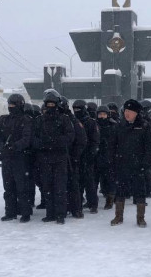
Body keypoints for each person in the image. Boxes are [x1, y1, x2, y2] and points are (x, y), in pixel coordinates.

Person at [108, 99, 151, 228]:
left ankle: (140, 218)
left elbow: (150, 147)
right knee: (120, 191)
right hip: (121, 164)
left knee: (140, 191)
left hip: (138, 165)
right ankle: (118, 216)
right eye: (126, 111)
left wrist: (146, 162)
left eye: (130, 112)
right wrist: (112, 160)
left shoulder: (144, 126)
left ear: (136, 113)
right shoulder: (119, 126)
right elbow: (112, 145)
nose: (127, 114)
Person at [32, 90, 74, 224]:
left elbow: (70, 136)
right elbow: (33, 138)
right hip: (44, 158)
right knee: (47, 187)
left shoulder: (64, 119)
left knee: (60, 188)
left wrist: (55, 142)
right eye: (48, 104)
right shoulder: (39, 120)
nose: (50, 106)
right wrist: (43, 144)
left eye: (53, 104)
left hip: (59, 158)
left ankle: (60, 214)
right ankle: (50, 213)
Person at [0, 94, 33, 222]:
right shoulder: (4, 119)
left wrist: (15, 146)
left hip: (20, 157)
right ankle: (10, 212)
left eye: (13, 105)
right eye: (9, 105)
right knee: (8, 187)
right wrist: (2, 146)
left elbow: (27, 138)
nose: (11, 107)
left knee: (22, 187)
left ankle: (25, 212)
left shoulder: (26, 120)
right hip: (7, 158)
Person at [59, 97, 87, 219]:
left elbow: (81, 140)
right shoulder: (59, 119)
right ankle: (64, 208)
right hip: (61, 157)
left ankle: (76, 209)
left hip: (71, 158)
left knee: (73, 185)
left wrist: (75, 156)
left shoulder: (72, 120)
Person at [73, 99, 100, 214]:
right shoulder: (73, 121)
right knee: (77, 182)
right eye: (75, 110)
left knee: (90, 182)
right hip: (76, 156)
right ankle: (77, 204)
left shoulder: (91, 122)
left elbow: (95, 140)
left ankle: (93, 204)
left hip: (87, 156)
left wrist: (91, 153)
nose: (76, 111)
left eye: (78, 109)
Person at [95, 105, 117, 210]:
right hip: (96, 156)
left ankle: (110, 200)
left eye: (104, 114)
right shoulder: (94, 125)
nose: (102, 116)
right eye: (100, 114)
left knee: (110, 180)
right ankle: (93, 201)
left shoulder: (113, 125)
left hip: (110, 156)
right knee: (93, 180)